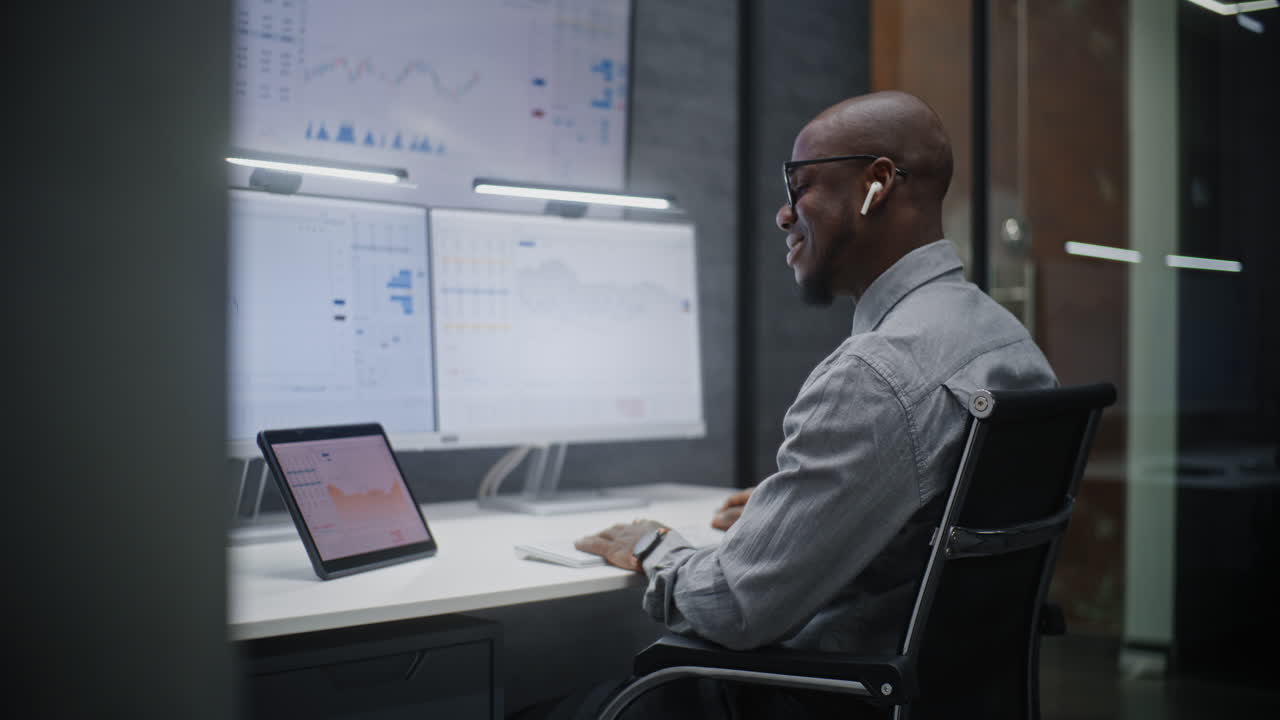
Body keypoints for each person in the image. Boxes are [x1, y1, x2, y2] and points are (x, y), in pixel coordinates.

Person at [533, 90, 1057, 719]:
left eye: (801, 185)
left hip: (810, 698)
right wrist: (811, 508)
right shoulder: (1009, 344)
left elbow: (735, 608)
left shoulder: (875, 374)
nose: (783, 215)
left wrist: (654, 546)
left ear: (877, 185)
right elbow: (940, 529)